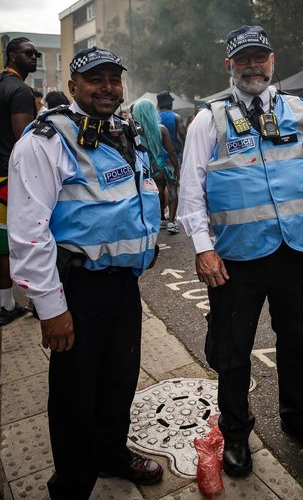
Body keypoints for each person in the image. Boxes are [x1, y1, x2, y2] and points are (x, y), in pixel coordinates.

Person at [178, 24, 303, 476]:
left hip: (297, 251)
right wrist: (201, 249)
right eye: (243, 58)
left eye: (260, 57)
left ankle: (299, 420)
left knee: (302, 341)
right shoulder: (207, 120)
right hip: (236, 259)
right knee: (232, 351)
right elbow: (192, 190)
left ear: (273, 62)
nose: (253, 65)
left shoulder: (301, 111)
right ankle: (235, 433)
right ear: (229, 65)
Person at [7, 46, 163, 499]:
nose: (108, 88)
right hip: (78, 287)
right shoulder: (46, 140)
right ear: (73, 87)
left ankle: (111, 453)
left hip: (122, 284)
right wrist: (51, 308)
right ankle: (73, 483)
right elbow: (28, 232)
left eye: (114, 79)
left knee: (120, 377)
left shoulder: (124, 130)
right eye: (96, 80)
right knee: (76, 393)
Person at [0, 37, 39, 326]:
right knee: (26, 239)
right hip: (9, 178)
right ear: (12, 56)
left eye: (36, 53)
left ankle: (7, 302)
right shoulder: (21, 91)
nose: (34, 57)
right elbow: (25, 142)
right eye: (28, 53)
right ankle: (30, 301)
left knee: (2, 242)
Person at [132, 98, 180, 202]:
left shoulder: (133, 131)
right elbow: (171, 151)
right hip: (159, 165)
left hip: (141, 168)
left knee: (147, 194)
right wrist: (177, 169)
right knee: (166, 189)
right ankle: (167, 217)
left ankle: (158, 215)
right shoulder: (161, 129)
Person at [156, 90, 185, 234]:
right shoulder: (176, 117)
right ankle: (172, 222)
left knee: (159, 188)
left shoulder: (153, 119)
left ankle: (161, 218)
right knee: (172, 187)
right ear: (169, 103)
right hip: (172, 157)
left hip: (156, 159)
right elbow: (184, 137)